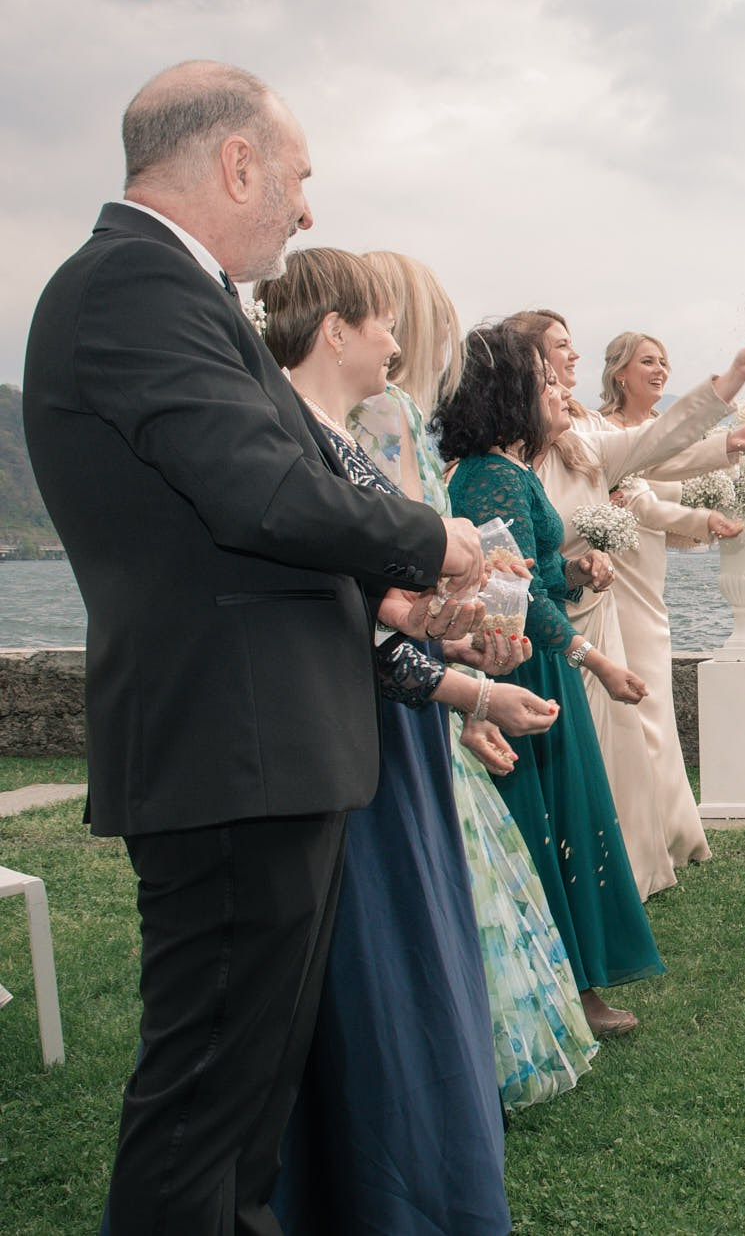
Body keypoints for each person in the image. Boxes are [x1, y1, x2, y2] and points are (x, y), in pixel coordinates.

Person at [22, 60, 481, 1234]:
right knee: (205, 1100)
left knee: (245, 1098)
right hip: (234, 748)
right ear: (236, 164)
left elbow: (278, 492)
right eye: (298, 178)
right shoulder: (131, 288)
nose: (308, 209)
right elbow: (257, 493)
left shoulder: (175, 294)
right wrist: (432, 543)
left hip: (261, 747)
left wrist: (391, 592)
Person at [258, 247, 552, 1233]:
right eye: (379, 321)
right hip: (349, 745)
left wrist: (457, 628)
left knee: (410, 973)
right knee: (380, 980)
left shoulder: (333, 439)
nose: (395, 340)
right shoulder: (301, 444)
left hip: (390, 729)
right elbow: (359, 628)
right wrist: (473, 688)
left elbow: (385, 614)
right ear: (334, 328)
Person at [352, 251, 600, 1109]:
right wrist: (468, 667)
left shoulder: (410, 425)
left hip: (436, 669)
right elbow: (389, 587)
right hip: (404, 683)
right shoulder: (382, 420)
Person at [437, 325, 670, 1038]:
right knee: (555, 822)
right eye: (544, 382)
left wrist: (571, 569)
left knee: (561, 818)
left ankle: (570, 979)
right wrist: (592, 658)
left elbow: (528, 574)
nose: (560, 391)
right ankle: (571, 986)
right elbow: (518, 598)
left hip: (534, 654)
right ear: (512, 394)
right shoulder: (497, 474)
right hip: (528, 665)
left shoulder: (497, 469)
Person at [508, 311, 745, 900]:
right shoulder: (506, 460)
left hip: (595, 613)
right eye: (558, 351)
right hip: (549, 623)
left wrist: (728, 394)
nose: (571, 360)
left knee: (620, 746)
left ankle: (629, 864)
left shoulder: (580, 438)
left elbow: (658, 444)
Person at [597, 330, 745, 888]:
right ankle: (651, 836)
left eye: (664, 362)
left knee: (652, 699)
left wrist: (729, 450)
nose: (660, 370)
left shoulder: (656, 435)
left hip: (649, 570)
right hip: (616, 574)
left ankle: (670, 830)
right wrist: (702, 519)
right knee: (641, 700)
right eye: (648, 362)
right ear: (619, 372)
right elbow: (642, 503)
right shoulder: (606, 433)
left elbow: (674, 472)